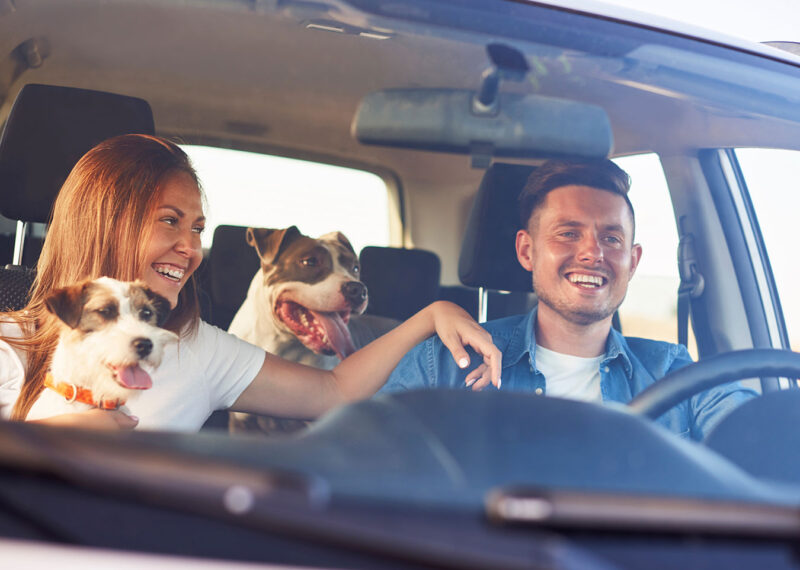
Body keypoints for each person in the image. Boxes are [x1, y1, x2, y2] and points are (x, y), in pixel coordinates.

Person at [0, 134, 501, 431]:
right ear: (107, 223)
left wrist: (431, 316)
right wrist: (53, 443)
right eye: (170, 221)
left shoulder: (198, 349)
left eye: (197, 229)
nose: (190, 248)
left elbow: (333, 390)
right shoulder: (9, 343)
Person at [380, 159, 757, 441]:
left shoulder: (673, 373)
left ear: (633, 261)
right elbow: (368, 461)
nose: (593, 253)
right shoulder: (446, 364)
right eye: (568, 233)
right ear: (527, 251)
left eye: (611, 238)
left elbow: (756, 434)